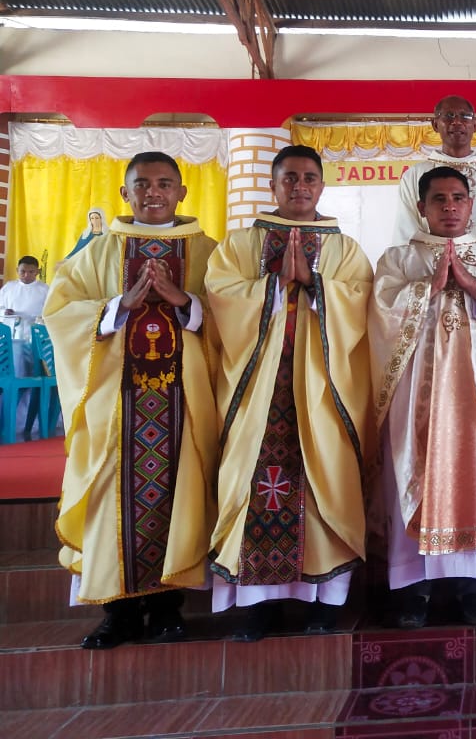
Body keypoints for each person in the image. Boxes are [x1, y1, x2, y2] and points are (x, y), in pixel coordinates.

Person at [45, 152, 219, 649]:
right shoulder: (96, 253)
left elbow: (232, 321)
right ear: (125, 193)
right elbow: (60, 314)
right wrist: (118, 305)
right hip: (113, 407)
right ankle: (116, 613)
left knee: (176, 495)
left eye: (165, 184)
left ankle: (168, 609)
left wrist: (182, 300)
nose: (154, 193)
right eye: (142, 184)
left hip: (182, 403)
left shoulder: (207, 253)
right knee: (108, 498)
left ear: (182, 192)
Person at [206, 145, 373, 640]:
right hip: (259, 388)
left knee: (326, 480)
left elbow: (362, 304)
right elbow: (221, 297)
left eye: (309, 178)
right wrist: (275, 287)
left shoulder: (344, 249)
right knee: (256, 483)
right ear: (273, 185)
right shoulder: (239, 245)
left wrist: (316, 284)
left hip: (323, 389)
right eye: (289, 178)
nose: (300, 186)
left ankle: (325, 603)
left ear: (322, 185)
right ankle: (259, 604)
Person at [370, 166, 476, 627]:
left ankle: (473, 588)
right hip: (420, 392)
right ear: (421, 207)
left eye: (458, 198)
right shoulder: (399, 259)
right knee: (414, 471)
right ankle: (413, 590)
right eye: (438, 199)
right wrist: (428, 289)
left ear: (471, 204)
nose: (450, 207)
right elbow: (381, 314)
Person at [390, 95, 476, 265]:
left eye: (465, 116)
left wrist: (475, 266)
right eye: (448, 116)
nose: (457, 122)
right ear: (435, 124)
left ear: (475, 125)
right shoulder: (414, 175)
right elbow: (406, 229)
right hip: (429, 267)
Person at [0, 255, 51, 440]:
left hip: (34, 339)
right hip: (12, 340)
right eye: (22, 271)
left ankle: (28, 422)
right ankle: (7, 420)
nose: (26, 275)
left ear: (37, 272)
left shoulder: (45, 290)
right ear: (17, 270)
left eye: (31, 271)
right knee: (13, 375)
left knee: (31, 377)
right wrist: (5, 312)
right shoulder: (9, 288)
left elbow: (49, 313)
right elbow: (1, 308)